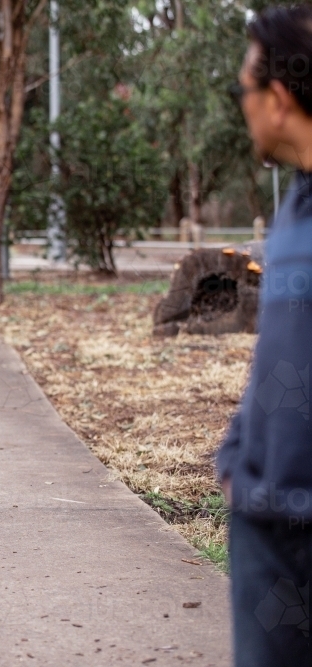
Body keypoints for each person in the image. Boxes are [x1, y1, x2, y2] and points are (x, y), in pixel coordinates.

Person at [217, 6, 312, 665]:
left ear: (277, 98)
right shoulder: (296, 206)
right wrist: (238, 451)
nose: (241, 105)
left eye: (242, 90)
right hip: (266, 522)